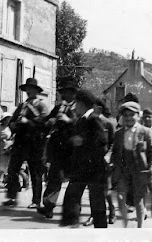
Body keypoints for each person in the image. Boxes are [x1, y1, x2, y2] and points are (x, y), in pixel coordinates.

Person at [60, 89, 108, 228]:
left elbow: (102, 140)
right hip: (81, 168)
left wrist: (83, 141)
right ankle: (72, 228)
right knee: (72, 198)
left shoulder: (93, 118)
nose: (75, 107)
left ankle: (101, 233)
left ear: (82, 104)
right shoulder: (81, 119)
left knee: (96, 203)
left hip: (94, 168)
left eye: (76, 104)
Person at [112, 101, 152, 228]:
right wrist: (108, 160)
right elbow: (113, 150)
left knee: (138, 201)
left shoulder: (145, 132)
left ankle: (139, 228)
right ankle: (125, 225)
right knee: (121, 198)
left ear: (138, 116)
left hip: (139, 172)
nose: (128, 118)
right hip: (123, 170)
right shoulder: (118, 133)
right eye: (126, 115)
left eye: (131, 115)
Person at [2, 78, 49, 208]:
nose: (29, 91)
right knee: (12, 169)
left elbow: (45, 121)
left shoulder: (41, 105)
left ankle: (36, 201)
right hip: (20, 142)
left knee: (35, 172)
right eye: (27, 89)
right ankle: (11, 197)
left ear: (36, 91)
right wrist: (13, 125)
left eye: (31, 89)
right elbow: (12, 120)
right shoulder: (22, 106)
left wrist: (29, 122)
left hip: (34, 143)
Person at [37, 77, 78, 218]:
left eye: (67, 92)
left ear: (73, 93)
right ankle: (48, 206)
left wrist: (69, 120)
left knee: (74, 180)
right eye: (63, 92)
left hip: (73, 148)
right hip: (58, 148)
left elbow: (83, 124)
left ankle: (73, 209)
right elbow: (48, 119)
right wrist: (49, 121)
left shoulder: (78, 107)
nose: (64, 95)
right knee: (54, 177)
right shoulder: (60, 107)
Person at [83, 98, 116, 226]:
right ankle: (93, 215)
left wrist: (108, 155)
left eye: (94, 107)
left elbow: (113, 143)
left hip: (105, 163)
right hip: (92, 162)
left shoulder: (108, 124)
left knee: (106, 191)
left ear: (100, 109)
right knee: (92, 190)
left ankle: (112, 211)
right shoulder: (88, 122)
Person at [0, 112, 13, 189]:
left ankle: (6, 183)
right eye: (6, 119)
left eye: (8, 119)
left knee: (8, 166)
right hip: (1, 147)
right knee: (1, 166)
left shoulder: (10, 127)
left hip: (9, 146)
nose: (7, 121)